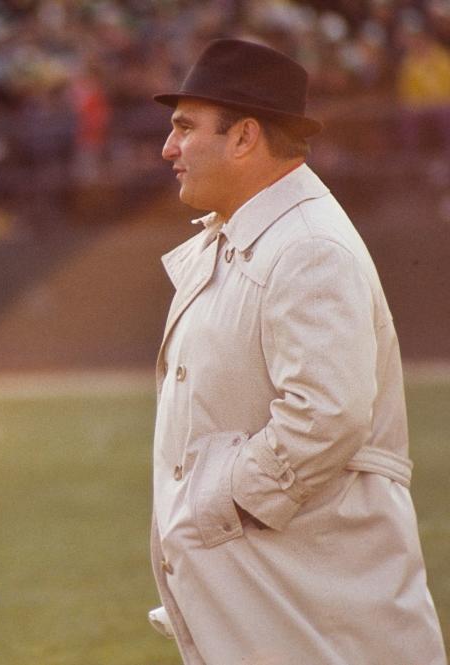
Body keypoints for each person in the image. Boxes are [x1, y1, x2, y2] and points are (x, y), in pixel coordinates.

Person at [149, 38, 446, 664]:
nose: (168, 148)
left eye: (184, 127)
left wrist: (213, 506)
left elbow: (327, 415)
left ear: (244, 137)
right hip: (274, 594)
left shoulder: (309, 246)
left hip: (312, 609)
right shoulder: (244, 235)